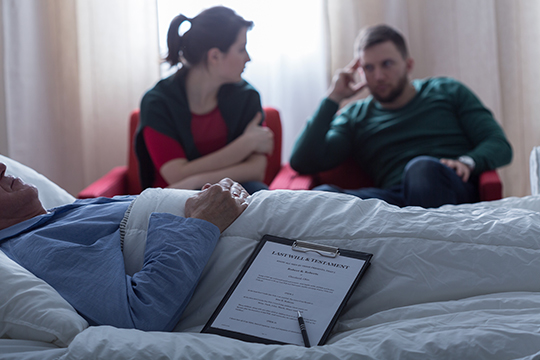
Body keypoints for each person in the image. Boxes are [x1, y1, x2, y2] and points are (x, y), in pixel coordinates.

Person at [0, 161, 248, 332]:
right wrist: (201, 224)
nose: (2, 167)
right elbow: (140, 315)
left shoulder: (56, 216)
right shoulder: (36, 246)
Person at [290, 24, 512, 208]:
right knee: (322, 195)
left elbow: (498, 144)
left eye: (387, 64)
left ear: (408, 65)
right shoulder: (355, 116)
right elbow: (302, 161)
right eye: (369, 68)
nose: (378, 76)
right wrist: (333, 97)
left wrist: (467, 162)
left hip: (449, 192)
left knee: (422, 169)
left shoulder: (447, 91)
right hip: (395, 202)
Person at [136, 6, 273, 195]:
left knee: (257, 193)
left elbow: (256, 170)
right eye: (241, 49)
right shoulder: (157, 103)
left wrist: (194, 180)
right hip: (176, 196)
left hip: (233, 191)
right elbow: (175, 176)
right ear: (215, 56)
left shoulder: (247, 97)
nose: (248, 58)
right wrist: (245, 144)